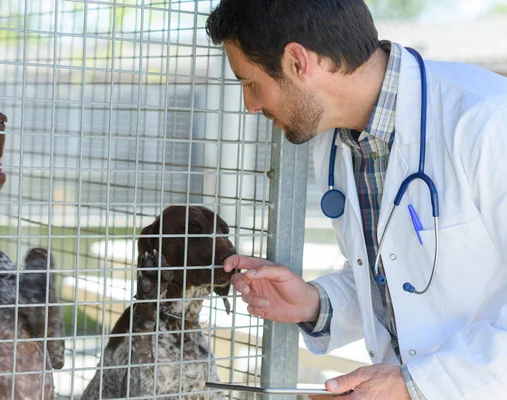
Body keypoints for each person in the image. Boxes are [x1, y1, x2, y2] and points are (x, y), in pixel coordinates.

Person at [205, 1, 507, 399]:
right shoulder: (334, 142)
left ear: (297, 61)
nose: (251, 105)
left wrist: (413, 385)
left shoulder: (486, 120)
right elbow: (397, 273)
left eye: (250, 83)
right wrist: (314, 303)